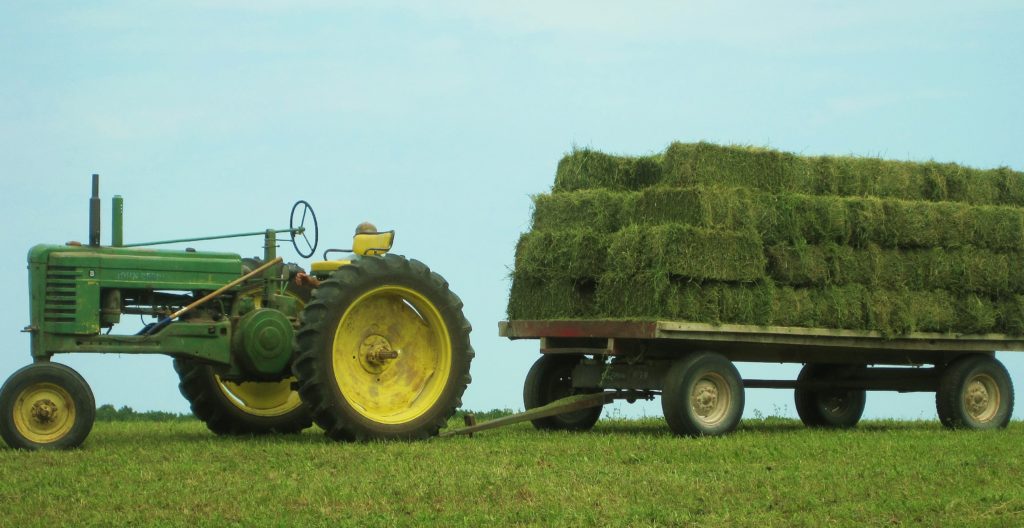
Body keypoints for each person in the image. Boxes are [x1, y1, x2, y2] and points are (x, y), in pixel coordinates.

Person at [293, 221, 379, 288]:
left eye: (371, 237)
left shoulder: (384, 266)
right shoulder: (343, 263)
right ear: (355, 239)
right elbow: (330, 287)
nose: (368, 240)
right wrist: (310, 280)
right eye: (364, 237)